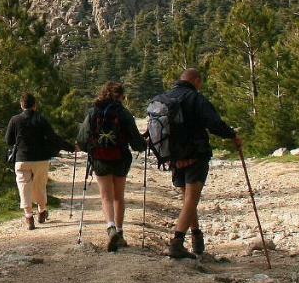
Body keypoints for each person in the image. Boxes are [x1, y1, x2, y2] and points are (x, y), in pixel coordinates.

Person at [158, 68, 241, 259]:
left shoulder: (165, 98)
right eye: (200, 82)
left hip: (174, 157)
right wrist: (232, 135)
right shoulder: (196, 99)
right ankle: (177, 243)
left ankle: (196, 238)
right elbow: (214, 124)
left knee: (186, 198)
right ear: (196, 80)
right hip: (196, 154)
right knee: (192, 199)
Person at [77, 81, 146, 252]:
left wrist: (90, 150)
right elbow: (137, 143)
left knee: (106, 196)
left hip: (100, 159)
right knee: (118, 196)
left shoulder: (93, 112)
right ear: (121, 96)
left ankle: (111, 228)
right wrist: (144, 145)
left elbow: (82, 139)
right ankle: (120, 232)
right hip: (121, 158)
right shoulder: (124, 114)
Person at [5, 92, 72, 231]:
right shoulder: (41, 119)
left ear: (21, 105)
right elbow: (54, 138)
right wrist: (70, 147)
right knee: (40, 186)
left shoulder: (15, 120)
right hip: (40, 159)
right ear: (35, 105)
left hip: (22, 159)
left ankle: (29, 217)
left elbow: (8, 141)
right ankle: (42, 211)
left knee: (24, 187)